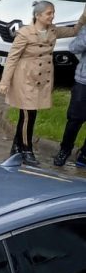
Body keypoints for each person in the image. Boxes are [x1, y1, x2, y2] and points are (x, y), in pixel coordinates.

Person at [0, 0, 86, 166]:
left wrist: (84, 16)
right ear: (37, 15)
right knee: (28, 115)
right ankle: (26, 150)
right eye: (48, 13)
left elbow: (74, 30)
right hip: (25, 79)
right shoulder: (25, 33)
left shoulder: (53, 30)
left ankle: (16, 147)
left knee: (29, 115)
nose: (52, 16)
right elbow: (12, 58)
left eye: (53, 13)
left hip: (40, 80)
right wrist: (5, 82)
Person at [54, 23, 86, 166]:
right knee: (75, 119)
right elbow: (73, 48)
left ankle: (84, 155)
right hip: (83, 82)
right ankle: (65, 150)